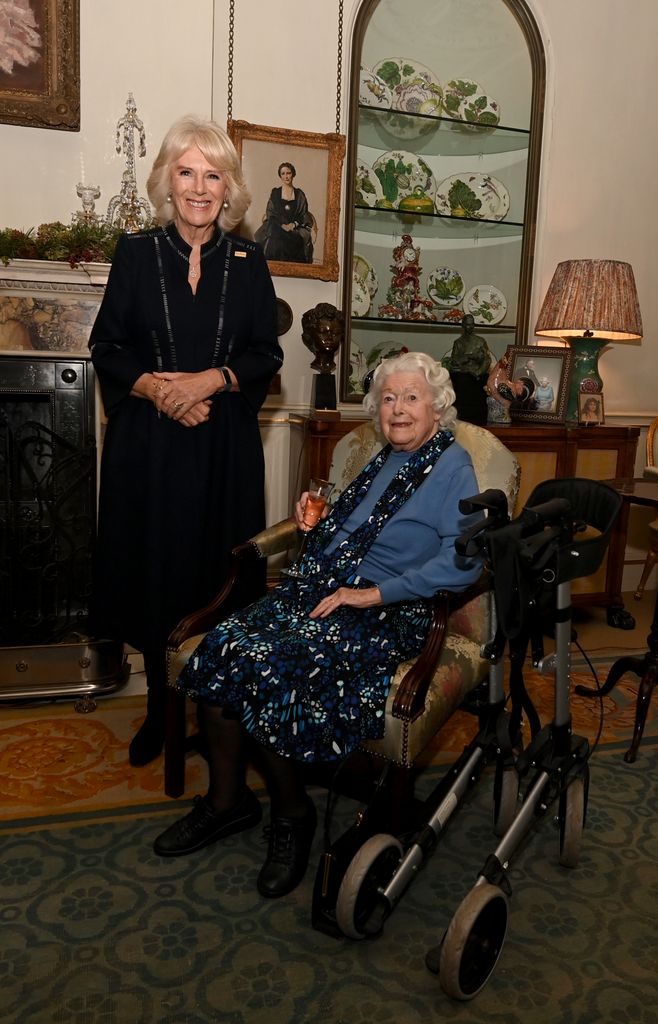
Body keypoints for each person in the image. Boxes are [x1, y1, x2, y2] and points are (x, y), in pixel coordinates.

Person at [153, 352, 483, 898]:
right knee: (225, 647)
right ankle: (226, 802)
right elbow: (356, 530)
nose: (396, 409)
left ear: (437, 407)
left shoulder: (454, 468)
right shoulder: (380, 459)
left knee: (269, 668)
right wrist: (319, 520)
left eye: (411, 398)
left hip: (387, 610)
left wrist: (373, 593)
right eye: (387, 399)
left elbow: (464, 560)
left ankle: (292, 815)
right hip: (324, 594)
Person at [88, 115, 282, 768]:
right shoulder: (135, 253)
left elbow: (265, 355)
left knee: (218, 575)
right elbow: (106, 347)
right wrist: (159, 389)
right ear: (167, 182)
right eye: (187, 171)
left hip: (223, 449)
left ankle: (219, 706)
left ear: (229, 189)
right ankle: (159, 712)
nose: (201, 186)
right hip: (149, 448)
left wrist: (208, 381)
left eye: (214, 173)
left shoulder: (251, 263)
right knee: (152, 572)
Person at [255, 162, 315, 263]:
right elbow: (271, 213)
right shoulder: (275, 193)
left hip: (295, 228)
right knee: (274, 239)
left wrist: (293, 224)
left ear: (293, 174)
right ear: (280, 176)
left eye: (288, 173)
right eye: (283, 174)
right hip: (277, 226)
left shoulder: (299, 194)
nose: (286, 176)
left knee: (296, 241)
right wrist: (282, 225)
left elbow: (303, 214)